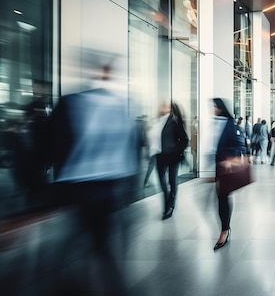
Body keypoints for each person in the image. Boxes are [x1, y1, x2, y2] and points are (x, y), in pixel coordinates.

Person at [49, 58, 139, 294]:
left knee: (80, 238)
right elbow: (131, 149)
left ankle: (65, 282)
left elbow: (53, 145)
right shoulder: (122, 106)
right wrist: (129, 189)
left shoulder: (72, 102)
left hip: (79, 183)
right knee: (95, 240)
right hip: (108, 185)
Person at [212, 98, 246, 250]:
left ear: (220, 108)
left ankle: (225, 230)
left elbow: (239, 144)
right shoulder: (214, 123)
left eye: (214, 106)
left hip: (226, 167)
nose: (212, 109)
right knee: (221, 199)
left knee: (223, 199)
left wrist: (231, 160)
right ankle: (225, 228)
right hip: (217, 167)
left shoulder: (230, 125)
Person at [155, 101, 189, 220]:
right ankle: (167, 204)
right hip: (159, 156)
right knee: (162, 182)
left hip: (173, 156)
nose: (161, 107)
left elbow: (185, 139)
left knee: (172, 181)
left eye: (164, 106)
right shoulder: (157, 122)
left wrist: (176, 150)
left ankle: (170, 206)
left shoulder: (175, 121)